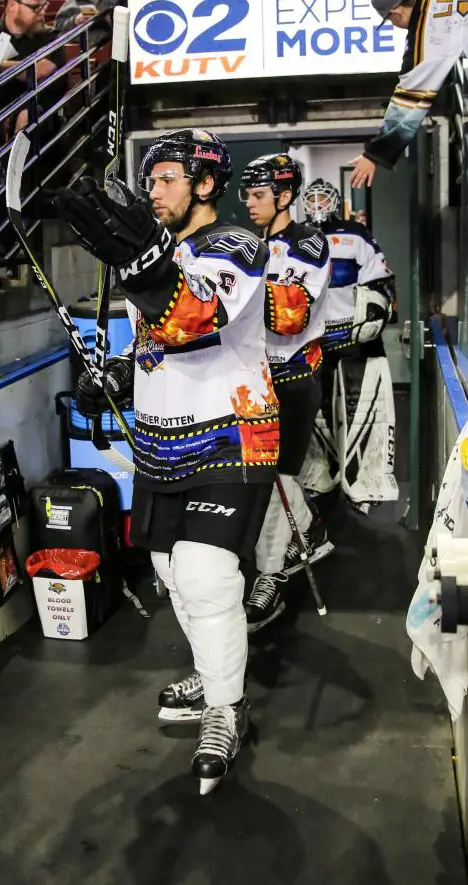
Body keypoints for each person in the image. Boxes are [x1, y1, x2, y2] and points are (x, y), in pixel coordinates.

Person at [55, 129, 278, 795]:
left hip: (230, 436)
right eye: (148, 180)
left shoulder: (236, 245)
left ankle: (225, 708)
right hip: (159, 444)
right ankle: (214, 673)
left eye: (168, 178)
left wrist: (146, 261)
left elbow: (195, 318)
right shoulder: (159, 251)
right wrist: (121, 373)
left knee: (207, 575)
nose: (153, 189)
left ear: (205, 185)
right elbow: (160, 344)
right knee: (170, 574)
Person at [238, 155, 332, 632]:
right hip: (255, 379)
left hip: (293, 378)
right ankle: (307, 527)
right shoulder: (252, 244)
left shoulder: (308, 243)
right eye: (247, 195)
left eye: (258, 195)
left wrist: (230, 292)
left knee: (277, 478)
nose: (250, 204)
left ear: (284, 196)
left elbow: (288, 316)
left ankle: (270, 576)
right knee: (261, 479)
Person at [298, 178, 398, 512]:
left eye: (321, 198)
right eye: (310, 198)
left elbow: (380, 281)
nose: (316, 204)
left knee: (364, 411)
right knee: (318, 414)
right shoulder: (297, 238)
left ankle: (365, 480)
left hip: (357, 342)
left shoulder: (355, 234)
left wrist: (379, 312)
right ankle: (321, 477)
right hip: (315, 342)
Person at [350, 0, 468, 188]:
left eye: (389, 20)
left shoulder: (429, 23)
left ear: (396, 11)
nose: (394, 25)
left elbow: (411, 98)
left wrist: (375, 153)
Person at [0, 0, 65, 136]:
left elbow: (38, 71)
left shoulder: (52, 38)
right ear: (12, 6)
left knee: (26, 115)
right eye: (36, 8)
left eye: (44, 6)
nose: (43, 12)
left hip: (37, 116)